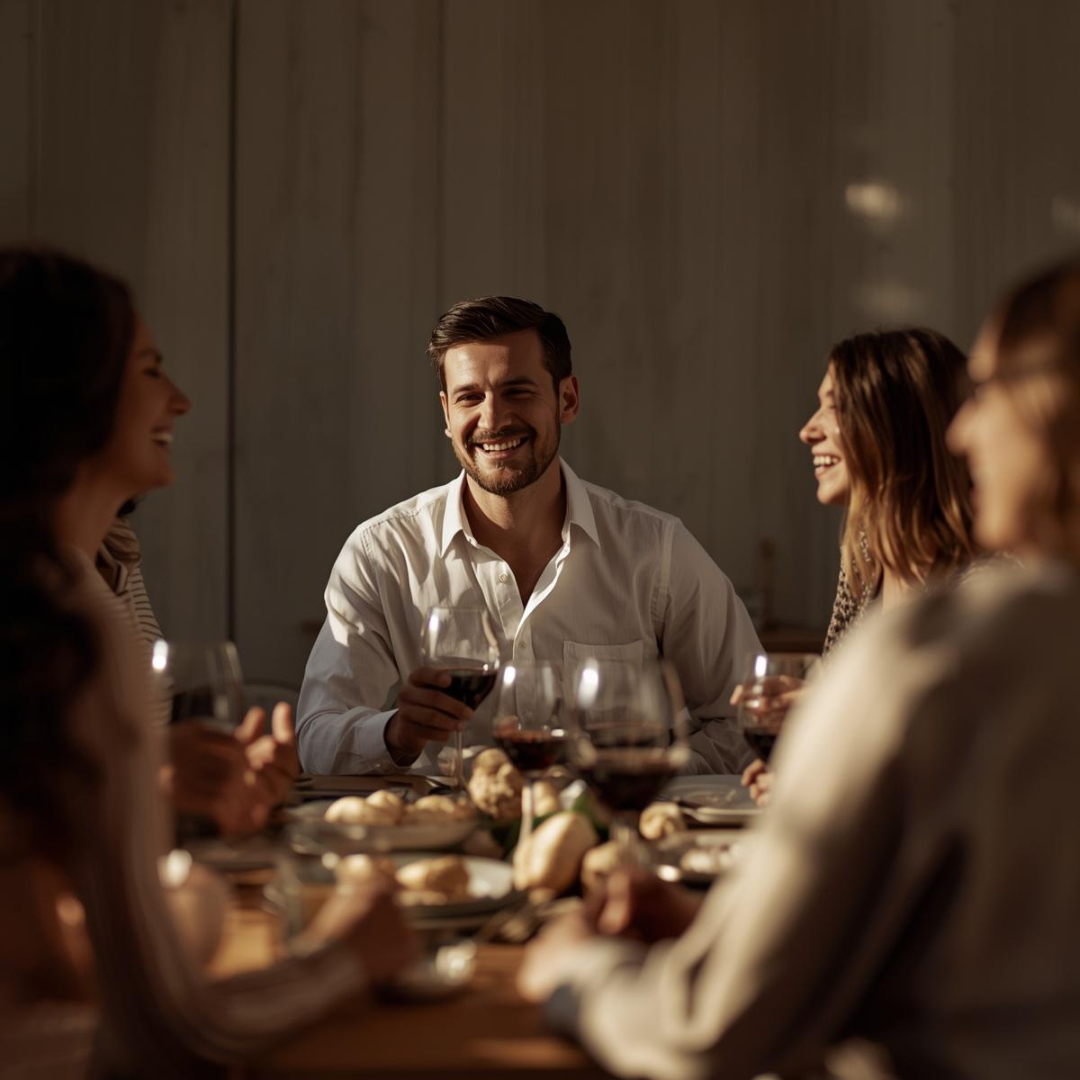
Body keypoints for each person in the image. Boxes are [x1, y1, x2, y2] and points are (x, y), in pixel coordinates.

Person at [517, 260, 1080, 1078]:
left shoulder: (941, 654)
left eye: (989, 393)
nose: (964, 431)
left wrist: (576, 973)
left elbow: (708, 1032)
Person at [0, 247, 416, 1076]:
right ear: (71, 396)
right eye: (151, 371)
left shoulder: (53, 586)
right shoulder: (66, 623)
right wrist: (350, 954)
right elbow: (178, 1037)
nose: (181, 400)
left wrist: (165, 792)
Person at [296, 295, 762, 776]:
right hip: (445, 843)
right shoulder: (382, 554)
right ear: (446, 413)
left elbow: (748, 720)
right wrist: (396, 733)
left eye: (517, 391)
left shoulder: (658, 551)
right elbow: (316, 738)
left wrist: (649, 778)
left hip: (606, 837)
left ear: (567, 399)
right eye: (470, 397)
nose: (493, 419)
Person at [743, 328, 978, 804]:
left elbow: (974, 758)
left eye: (835, 406)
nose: (808, 429)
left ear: (897, 427)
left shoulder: (990, 581)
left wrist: (835, 711)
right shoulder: (865, 566)